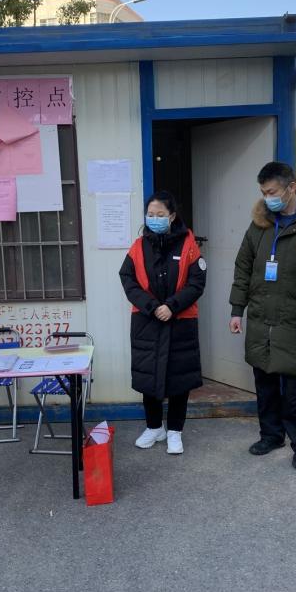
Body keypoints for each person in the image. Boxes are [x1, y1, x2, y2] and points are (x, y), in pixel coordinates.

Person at [229, 161, 296, 469]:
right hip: (260, 317)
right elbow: (243, 268)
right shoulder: (260, 225)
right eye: (263, 192)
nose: (267, 198)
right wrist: (237, 310)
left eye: (272, 192)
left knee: (295, 387)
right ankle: (271, 435)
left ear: (291, 187)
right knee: (265, 382)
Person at [119, 191, 206, 455]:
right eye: (150, 214)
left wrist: (172, 306)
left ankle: (175, 431)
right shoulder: (138, 246)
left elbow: (197, 282)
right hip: (147, 320)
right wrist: (152, 306)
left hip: (181, 320)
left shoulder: (188, 244)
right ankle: (154, 427)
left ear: (172, 216)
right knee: (149, 376)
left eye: (160, 214)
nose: (154, 218)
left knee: (179, 378)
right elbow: (127, 279)